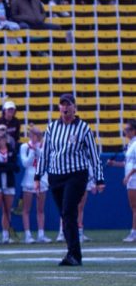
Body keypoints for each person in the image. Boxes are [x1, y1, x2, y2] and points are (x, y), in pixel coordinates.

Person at [36, 93, 105, 266]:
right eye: (62, 104)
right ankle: (74, 254)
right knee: (66, 215)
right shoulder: (52, 128)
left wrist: (99, 178)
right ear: (59, 107)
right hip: (55, 176)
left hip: (76, 175)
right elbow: (45, 154)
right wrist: (38, 176)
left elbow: (94, 156)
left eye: (68, 104)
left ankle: (73, 254)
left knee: (68, 212)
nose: (65, 108)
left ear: (74, 107)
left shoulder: (83, 128)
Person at [19, 125, 52, 243]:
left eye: (37, 134)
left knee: (40, 209)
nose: (35, 137)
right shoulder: (24, 147)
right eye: (33, 134)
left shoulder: (44, 146)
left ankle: (41, 234)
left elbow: (45, 160)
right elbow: (25, 163)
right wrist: (32, 151)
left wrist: (36, 149)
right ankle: (28, 235)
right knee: (26, 209)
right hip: (28, 178)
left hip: (42, 178)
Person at [107, 120, 136, 241]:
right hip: (131, 179)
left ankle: (134, 233)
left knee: (135, 207)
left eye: (128, 129)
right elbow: (127, 163)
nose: (125, 131)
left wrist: (128, 176)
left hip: (134, 178)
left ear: (134, 131)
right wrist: (114, 163)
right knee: (133, 207)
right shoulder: (130, 144)